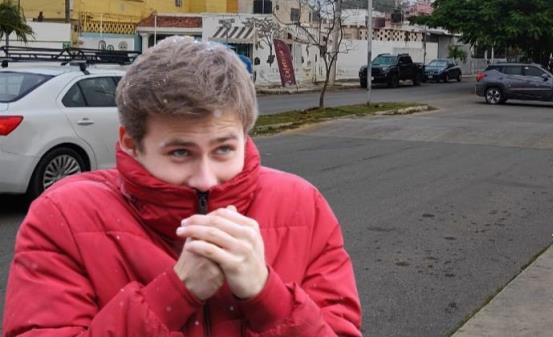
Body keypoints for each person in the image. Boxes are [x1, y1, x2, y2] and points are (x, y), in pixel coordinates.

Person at [3, 37, 361, 337]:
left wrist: (267, 295)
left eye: (223, 148)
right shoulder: (63, 217)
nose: (205, 178)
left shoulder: (303, 206)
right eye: (179, 152)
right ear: (130, 143)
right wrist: (174, 294)